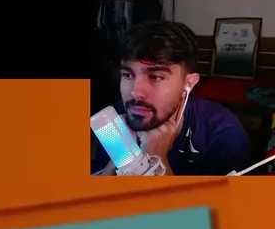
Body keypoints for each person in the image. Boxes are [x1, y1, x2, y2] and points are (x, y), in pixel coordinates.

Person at [92, 21, 251, 176]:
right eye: (127, 75)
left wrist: (158, 161)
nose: (135, 92)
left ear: (188, 83)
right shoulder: (114, 120)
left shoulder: (224, 135)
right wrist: (120, 159)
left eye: (155, 77)